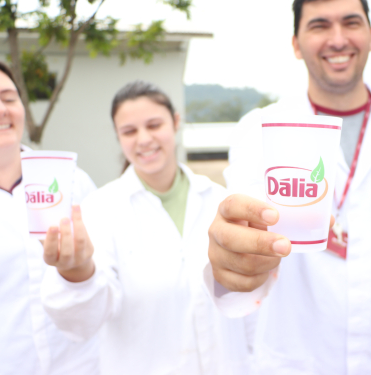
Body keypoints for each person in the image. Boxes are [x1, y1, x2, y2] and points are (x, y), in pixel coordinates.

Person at [206, 0, 371, 374]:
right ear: (296, 44)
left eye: (351, 23)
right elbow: (243, 245)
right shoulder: (259, 131)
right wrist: (232, 258)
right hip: (297, 359)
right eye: (319, 26)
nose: (338, 39)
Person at [41, 81, 250, 375]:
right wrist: (76, 273)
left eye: (154, 125)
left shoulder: (220, 201)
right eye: (129, 131)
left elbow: (249, 304)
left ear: (175, 122)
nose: (143, 139)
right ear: (118, 136)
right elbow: (82, 322)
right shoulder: (99, 209)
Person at [0, 61, 99, 374]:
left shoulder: (71, 181)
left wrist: (80, 269)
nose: (0, 109)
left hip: (81, 364)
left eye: (9, 98)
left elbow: (108, 275)